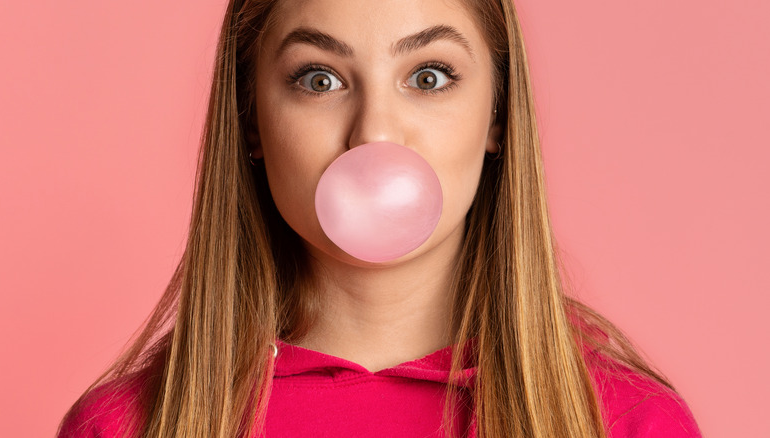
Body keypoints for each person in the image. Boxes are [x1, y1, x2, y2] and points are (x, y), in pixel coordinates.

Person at [57, 0, 702, 437]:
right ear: (252, 118)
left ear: (498, 116)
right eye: (319, 80)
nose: (374, 134)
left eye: (427, 76)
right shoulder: (127, 427)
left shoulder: (626, 423)